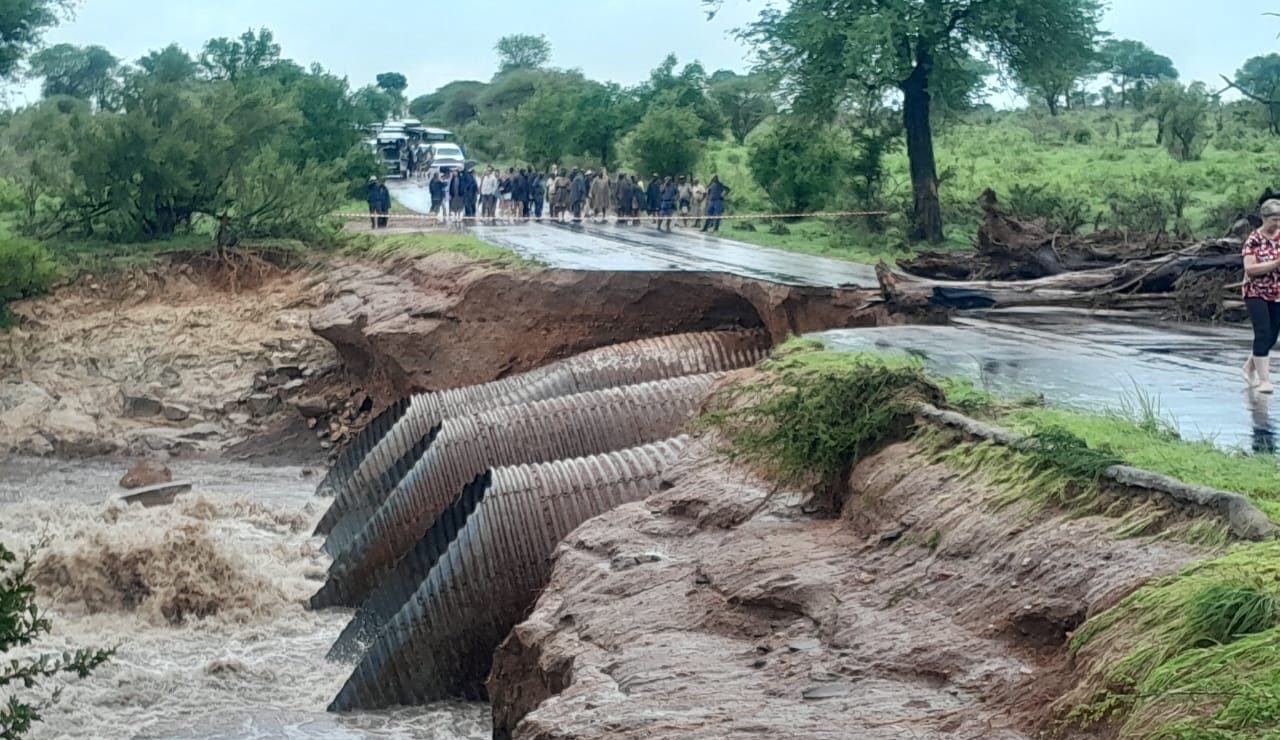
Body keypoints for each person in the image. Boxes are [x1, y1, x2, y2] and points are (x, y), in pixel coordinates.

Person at [1242, 198, 1280, 392]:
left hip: (1277, 291)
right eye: (1274, 219)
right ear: (1265, 218)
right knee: (1263, 331)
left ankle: (1251, 364)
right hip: (1255, 291)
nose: (1278, 224)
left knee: (1273, 334)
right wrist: (1274, 264)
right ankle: (1264, 380)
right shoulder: (1254, 240)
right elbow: (1250, 269)